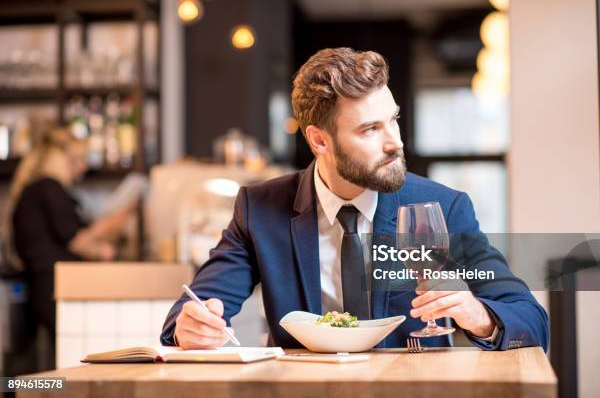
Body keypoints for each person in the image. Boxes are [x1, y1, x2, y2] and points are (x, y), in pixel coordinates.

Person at [161, 47, 549, 351]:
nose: (395, 142)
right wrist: (192, 326)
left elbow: (530, 320)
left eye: (393, 120)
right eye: (370, 129)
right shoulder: (259, 209)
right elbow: (193, 310)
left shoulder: (443, 208)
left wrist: (478, 315)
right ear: (319, 141)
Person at [4, 128, 135, 369]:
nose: (84, 168)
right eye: (82, 160)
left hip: (42, 288)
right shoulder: (49, 189)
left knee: (40, 365)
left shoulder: (37, 190)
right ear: (66, 158)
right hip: (52, 289)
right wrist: (116, 224)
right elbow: (76, 240)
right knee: (59, 365)